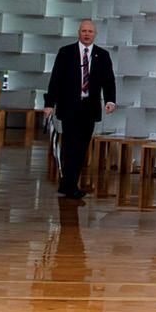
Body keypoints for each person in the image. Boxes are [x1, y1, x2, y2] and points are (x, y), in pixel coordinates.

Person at [43, 19, 116, 199]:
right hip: (70, 107)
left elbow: (108, 81)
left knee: (82, 148)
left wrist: (110, 100)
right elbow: (56, 79)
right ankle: (70, 186)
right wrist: (49, 104)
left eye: (90, 31)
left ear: (95, 34)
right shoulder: (66, 52)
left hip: (89, 109)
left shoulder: (102, 55)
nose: (87, 34)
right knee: (70, 146)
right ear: (78, 33)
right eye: (84, 31)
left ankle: (68, 185)